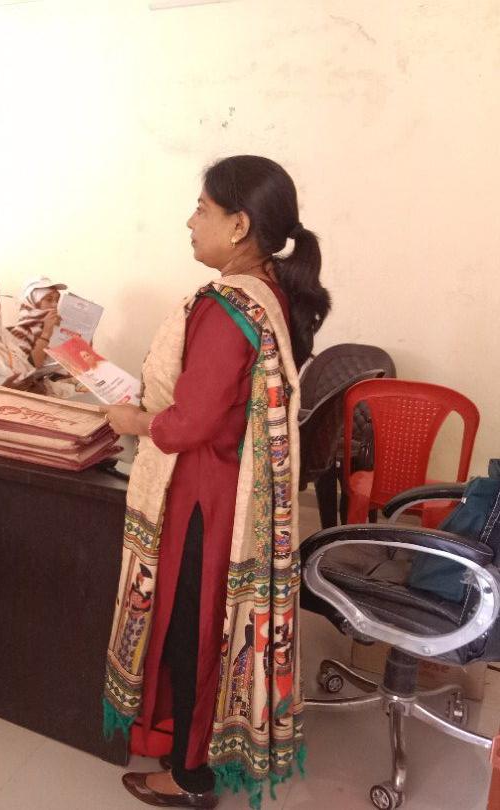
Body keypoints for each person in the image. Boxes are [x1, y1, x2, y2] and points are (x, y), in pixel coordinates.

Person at [102, 156, 329, 808]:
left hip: (208, 494)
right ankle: (195, 752)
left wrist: (133, 419)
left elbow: (190, 422)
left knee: (195, 630)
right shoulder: (269, 290)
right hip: (237, 489)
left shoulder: (226, 307)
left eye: (201, 209)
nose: (190, 221)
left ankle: (190, 776)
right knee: (212, 630)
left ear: (239, 225)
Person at [8, 275, 67, 368]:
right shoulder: (20, 332)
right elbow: (30, 367)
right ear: (33, 302)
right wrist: (46, 333)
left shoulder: (57, 324)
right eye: (49, 299)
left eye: (57, 300)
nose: (55, 305)